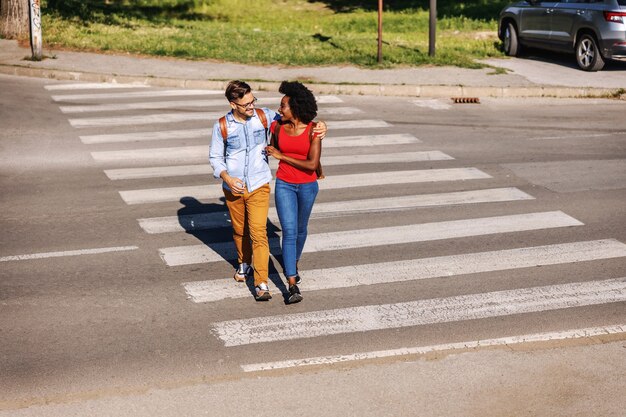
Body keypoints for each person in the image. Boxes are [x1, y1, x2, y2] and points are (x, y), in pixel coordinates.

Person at [209, 80, 326, 302]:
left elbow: (301, 121)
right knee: (240, 230)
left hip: (260, 184)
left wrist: (322, 125)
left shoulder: (264, 117)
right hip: (236, 185)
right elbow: (215, 157)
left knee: (262, 233)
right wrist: (226, 177)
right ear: (233, 104)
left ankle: (263, 282)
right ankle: (244, 262)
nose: (251, 107)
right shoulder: (223, 125)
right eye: (246, 104)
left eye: (253, 101)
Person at [265, 81, 323, 304]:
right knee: (289, 231)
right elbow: (269, 143)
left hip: (308, 185)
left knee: (300, 229)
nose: (280, 110)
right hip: (285, 184)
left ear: (296, 108)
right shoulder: (276, 127)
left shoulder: (313, 131)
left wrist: (282, 156)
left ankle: (293, 262)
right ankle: (291, 284)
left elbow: (311, 164)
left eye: (283, 106)